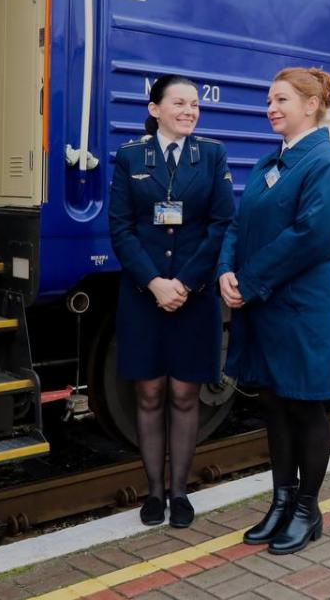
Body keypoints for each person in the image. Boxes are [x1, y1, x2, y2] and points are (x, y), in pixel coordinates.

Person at [217, 67, 330, 556]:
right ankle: (280, 500)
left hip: (301, 307)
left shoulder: (328, 164)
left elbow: (310, 237)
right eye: (269, 99)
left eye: (280, 100)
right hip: (266, 302)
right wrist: (226, 271)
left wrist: (249, 282)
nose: (270, 107)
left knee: (305, 405)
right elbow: (239, 223)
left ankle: (307, 509)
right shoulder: (267, 163)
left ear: (311, 104)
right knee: (274, 403)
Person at [109, 74, 234, 528]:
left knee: (185, 393)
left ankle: (180, 493)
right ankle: (153, 493)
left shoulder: (212, 155)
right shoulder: (129, 157)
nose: (189, 110)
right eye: (179, 102)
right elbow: (120, 227)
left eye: (195, 104)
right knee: (148, 392)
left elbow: (221, 224)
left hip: (193, 295)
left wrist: (182, 282)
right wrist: (154, 283)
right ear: (155, 108)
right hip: (143, 296)